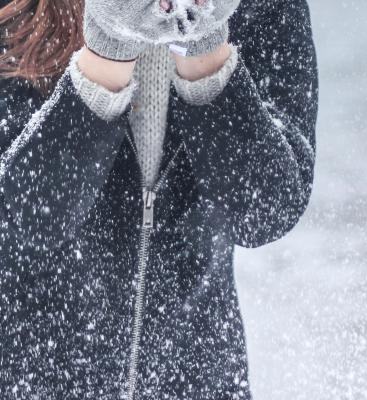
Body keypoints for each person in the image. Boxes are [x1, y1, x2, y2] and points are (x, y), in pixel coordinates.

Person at [0, 0, 318, 398]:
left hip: (198, 379)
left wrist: (203, 44)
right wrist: (108, 51)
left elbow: (263, 211)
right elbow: (21, 221)